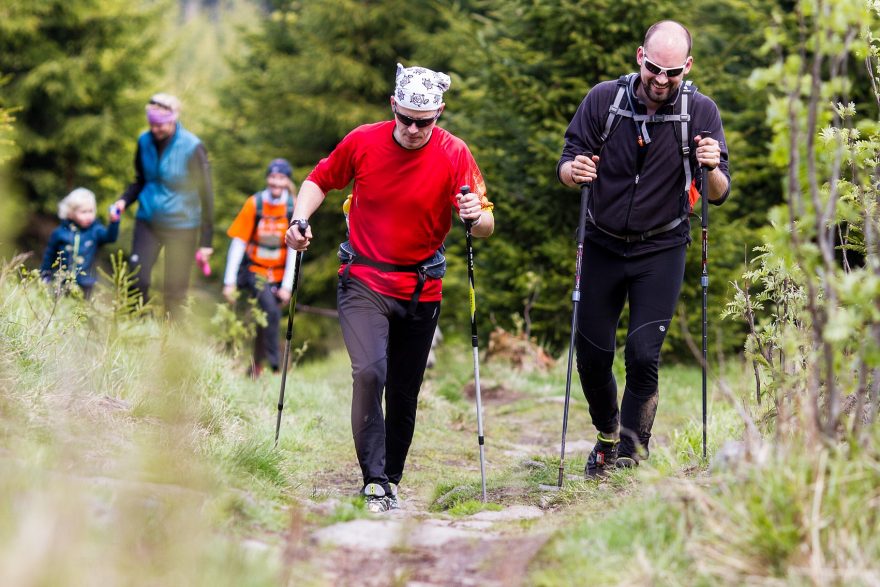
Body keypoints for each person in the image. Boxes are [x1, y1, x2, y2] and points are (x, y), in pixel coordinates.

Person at [285, 63, 495, 513]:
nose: (415, 129)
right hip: (363, 278)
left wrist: (475, 215)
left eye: (426, 121)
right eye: (407, 119)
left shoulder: (455, 152)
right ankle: (374, 480)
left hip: (423, 287)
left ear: (438, 113)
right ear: (393, 107)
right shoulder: (363, 140)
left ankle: (391, 477)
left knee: (404, 388)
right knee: (369, 373)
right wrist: (298, 221)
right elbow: (317, 180)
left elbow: (486, 226)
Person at [557, 20, 730, 476]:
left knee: (642, 354)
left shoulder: (701, 112)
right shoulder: (603, 100)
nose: (661, 79)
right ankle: (607, 435)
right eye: (654, 68)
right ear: (640, 57)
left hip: (662, 248)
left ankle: (633, 453)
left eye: (672, 73)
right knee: (592, 353)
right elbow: (567, 159)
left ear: (687, 67)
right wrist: (574, 171)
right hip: (602, 242)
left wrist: (710, 167)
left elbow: (718, 192)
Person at [112, 93, 214, 318]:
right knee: (137, 279)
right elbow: (141, 179)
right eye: (152, 124)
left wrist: (206, 241)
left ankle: (170, 343)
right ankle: (136, 329)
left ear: (174, 118)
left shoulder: (192, 147)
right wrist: (123, 200)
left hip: (182, 226)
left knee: (174, 291)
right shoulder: (144, 141)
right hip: (148, 220)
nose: (155, 129)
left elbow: (206, 195)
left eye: (160, 125)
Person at [223, 158, 299, 378]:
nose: (276, 183)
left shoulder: (293, 206)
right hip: (255, 271)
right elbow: (238, 243)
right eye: (273, 177)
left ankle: (255, 368)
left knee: (264, 319)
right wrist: (229, 281)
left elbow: (294, 250)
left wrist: (287, 286)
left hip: (280, 274)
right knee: (272, 314)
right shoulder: (254, 204)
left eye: (281, 178)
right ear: (267, 178)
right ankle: (276, 367)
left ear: (286, 181)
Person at [40, 187, 120, 298]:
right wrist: (45, 274)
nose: (88, 216)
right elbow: (49, 255)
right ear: (71, 213)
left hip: (86, 283)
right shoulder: (60, 233)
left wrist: (114, 222)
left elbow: (110, 237)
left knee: (82, 311)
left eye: (91, 211)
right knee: (60, 308)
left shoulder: (95, 231)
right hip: (62, 281)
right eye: (83, 212)